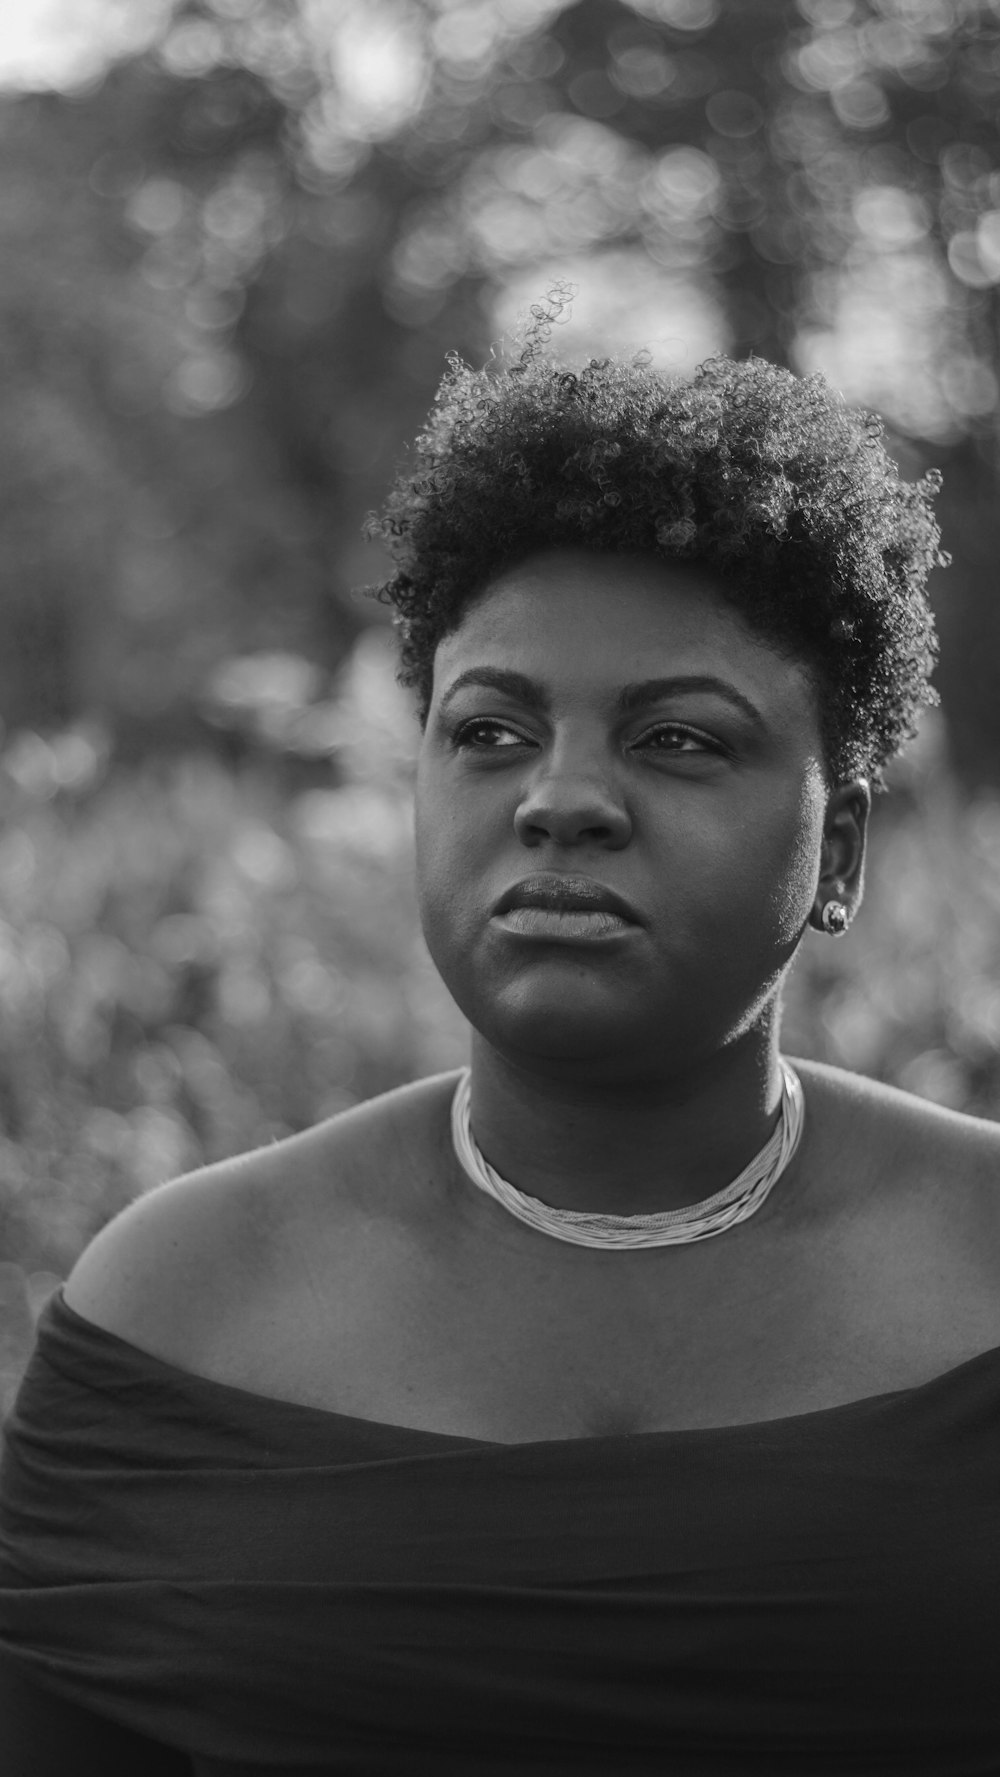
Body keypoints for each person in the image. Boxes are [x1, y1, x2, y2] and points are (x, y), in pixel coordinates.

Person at [2, 309, 998, 1777]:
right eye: (490, 730)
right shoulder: (180, 1305)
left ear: (839, 844)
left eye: (679, 738)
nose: (561, 800)